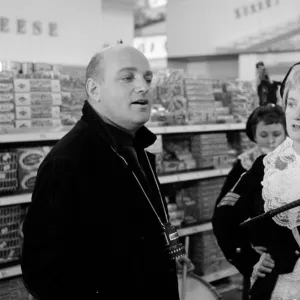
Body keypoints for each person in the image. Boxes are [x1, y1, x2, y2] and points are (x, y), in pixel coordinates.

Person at [21, 44, 192, 300]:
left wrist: (174, 252)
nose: (143, 86)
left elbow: (159, 216)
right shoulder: (68, 162)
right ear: (93, 89)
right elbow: (42, 273)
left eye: (147, 78)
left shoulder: (137, 147)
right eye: (127, 77)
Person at [212, 62, 300, 300]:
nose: (297, 113)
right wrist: (249, 259)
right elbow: (224, 217)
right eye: (291, 104)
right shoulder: (263, 165)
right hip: (279, 285)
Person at [215, 103, 286, 206]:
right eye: (263, 135)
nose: (271, 141)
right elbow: (224, 206)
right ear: (255, 136)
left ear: (285, 134)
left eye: (276, 134)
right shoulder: (245, 163)